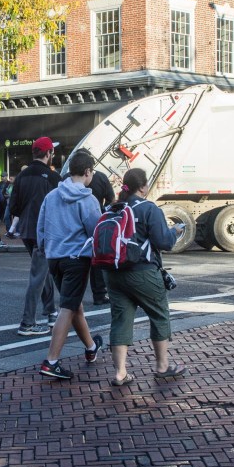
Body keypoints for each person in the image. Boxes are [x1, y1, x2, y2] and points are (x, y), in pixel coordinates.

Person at [103, 168, 185, 386]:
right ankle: (162, 366)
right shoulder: (149, 208)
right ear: (143, 187)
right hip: (142, 272)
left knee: (120, 320)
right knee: (159, 314)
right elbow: (163, 242)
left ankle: (120, 373)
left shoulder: (113, 208)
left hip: (113, 273)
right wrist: (175, 231)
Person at [36, 149, 104, 380]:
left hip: (54, 257)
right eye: (92, 172)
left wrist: (45, 247)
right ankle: (51, 361)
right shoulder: (88, 199)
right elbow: (96, 230)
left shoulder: (52, 196)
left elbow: (41, 227)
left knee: (73, 305)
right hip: (76, 258)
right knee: (68, 308)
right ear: (87, 172)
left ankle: (90, 347)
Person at [9, 137, 62, 336]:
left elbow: (13, 207)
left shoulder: (21, 177)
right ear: (48, 154)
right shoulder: (53, 178)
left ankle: (50, 312)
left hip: (26, 229)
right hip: (45, 231)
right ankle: (27, 322)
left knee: (43, 271)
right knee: (38, 275)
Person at [85, 153, 115, 306]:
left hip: (77, 225)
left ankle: (71, 293)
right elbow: (111, 198)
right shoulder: (101, 177)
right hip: (97, 223)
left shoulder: (68, 179)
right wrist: (104, 211)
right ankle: (99, 294)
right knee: (96, 260)